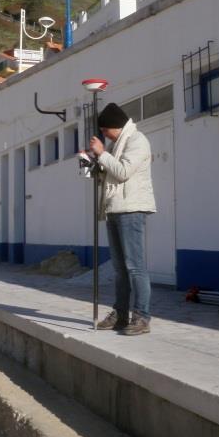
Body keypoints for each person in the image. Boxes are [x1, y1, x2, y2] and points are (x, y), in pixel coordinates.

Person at [88, 103, 156, 335]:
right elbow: (110, 175)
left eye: (105, 130)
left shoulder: (137, 141)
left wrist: (102, 153)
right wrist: (95, 164)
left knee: (135, 267)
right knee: (120, 268)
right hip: (114, 209)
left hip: (131, 209)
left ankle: (141, 316)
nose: (104, 135)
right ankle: (120, 313)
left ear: (114, 126)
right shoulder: (117, 144)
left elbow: (124, 172)